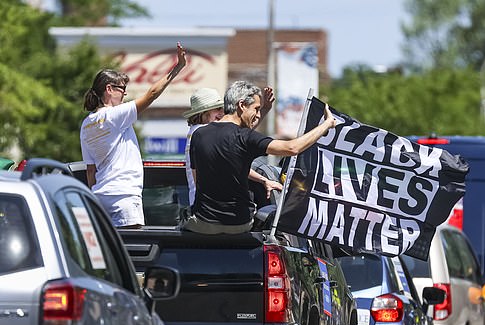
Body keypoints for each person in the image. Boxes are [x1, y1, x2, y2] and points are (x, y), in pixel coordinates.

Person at [182, 80, 336, 235]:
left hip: (202, 224)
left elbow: (198, 180)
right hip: (239, 225)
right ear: (242, 105)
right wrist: (326, 125)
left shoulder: (198, 135)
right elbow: (292, 148)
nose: (256, 114)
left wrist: (265, 109)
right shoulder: (245, 137)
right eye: (255, 109)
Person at [80, 42, 187, 228]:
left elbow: (91, 171)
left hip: (99, 198)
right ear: (109, 89)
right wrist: (177, 68)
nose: (124, 94)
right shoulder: (115, 115)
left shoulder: (86, 124)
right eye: (122, 89)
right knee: (131, 251)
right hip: (124, 196)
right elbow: (151, 94)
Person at [183, 86, 282, 207]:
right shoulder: (202, 133)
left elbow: (239, 137)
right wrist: (264, 180)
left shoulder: (198, 132)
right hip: (211, 210)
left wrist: (264, 109)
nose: (222, 113)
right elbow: (238, 139)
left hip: (203, 208)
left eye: (222, 108)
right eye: (217, 109)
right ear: (204, 113)